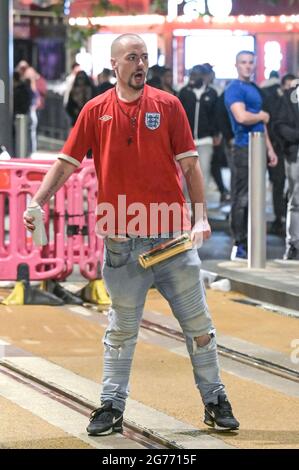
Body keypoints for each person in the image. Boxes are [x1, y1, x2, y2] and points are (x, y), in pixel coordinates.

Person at [23, 33, 239, 435]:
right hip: (121, 243)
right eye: (132, 58)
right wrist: (37, 201)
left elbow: (191, 167)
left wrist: (201, 218)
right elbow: (66, 163)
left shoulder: (169, 105)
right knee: (121, 330)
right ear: (115, 65)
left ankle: (215, 400)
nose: (140, 65)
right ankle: (110, 405)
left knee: (199, 326)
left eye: (145, 58)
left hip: (172, 239)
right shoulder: (94, 110)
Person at [224, 50, 278, 260]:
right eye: (243, 62)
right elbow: (241, 116)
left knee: (256, 198)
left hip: (258, 148)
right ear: (236, 65)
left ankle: (251, 241)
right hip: (243, 148)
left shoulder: (254, 88)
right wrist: (262, 116)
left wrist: (270, 149)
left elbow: (258, 124)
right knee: (242, 197)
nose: (247, 66)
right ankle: (239, 244)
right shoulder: (234, 89)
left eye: (250, 63)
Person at [262, 73, 296, 236]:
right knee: (279, 183)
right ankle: (279, 218)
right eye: (288, 87)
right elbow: (272, 125)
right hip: (277, 148)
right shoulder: (275, 103)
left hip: (289, 149)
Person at [179, 65, 219, 195]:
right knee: (187, 174)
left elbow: (215, 116)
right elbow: (178, 116)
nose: (192, 78)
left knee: (204, 172)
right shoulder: (184, 92)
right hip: (186, 140)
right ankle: (188, 206)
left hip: (205, 140)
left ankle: (200, 205)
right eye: (191, 74)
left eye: (195, 75)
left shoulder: (211, 93)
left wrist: (216, 134)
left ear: (202, 76)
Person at [275, 81, 299, 260]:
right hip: (295, 153)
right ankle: (294, 245)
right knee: (296, 200)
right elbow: (280, 124)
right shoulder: (289, 96)